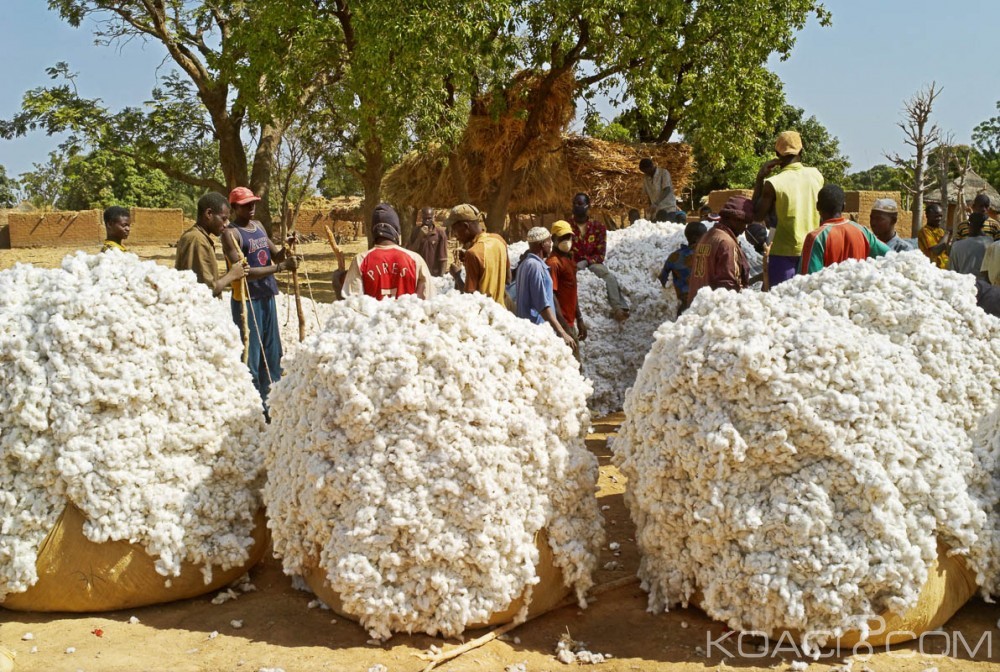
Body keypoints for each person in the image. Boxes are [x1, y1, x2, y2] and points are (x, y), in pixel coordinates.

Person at [221, 186, 299, 408]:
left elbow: (275, 255)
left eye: (253, 203)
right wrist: (281, 267)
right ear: (235, 207)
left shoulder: (259, 227)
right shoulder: (231, 234)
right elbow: (244, 272)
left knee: (273, 352)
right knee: (252, 358)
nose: (252, 208)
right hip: (247, 301)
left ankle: (273, 402)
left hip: (267, 296)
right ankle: (254, 406)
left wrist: (287, 248)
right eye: (246, 205)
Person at [753, 130, 825, 287]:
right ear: (802, 150)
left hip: (782, 254)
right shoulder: (816, 175)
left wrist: (760, 177)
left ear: (776, 154)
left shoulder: (773, 183)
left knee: (782, 304)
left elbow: (757, 215)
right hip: (812, 250)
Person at [343, 203, 435, 300]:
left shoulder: (360, 261)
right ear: (396, 230)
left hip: (372, 315)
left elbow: (352, 304)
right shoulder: (416, 260)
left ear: (373, 231)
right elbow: (428, 301)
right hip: (408, 315)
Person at [800, 185, 890, 274]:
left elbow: (808, 279)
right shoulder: (862, 231)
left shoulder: (816, 238)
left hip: (828, 288)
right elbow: (890, 256)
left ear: (817, 206)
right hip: (858, 287)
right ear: (844, 207)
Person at [570, 192, 630, 321]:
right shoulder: (567, 227)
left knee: (608, 276)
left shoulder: (598, 227)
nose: (577, 206)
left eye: (580, 203)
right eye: (575, 204)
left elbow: (600, 254)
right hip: (572, 263)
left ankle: (618, 308)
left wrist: (586, 262)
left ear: (588, 206)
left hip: (593, 263)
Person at [514, 227, 576, 352]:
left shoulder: (525, 264)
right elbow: (542, 305)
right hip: (539, 332)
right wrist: (562, 332)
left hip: (529, 330)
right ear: (542, 244)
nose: (551, 245)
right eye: (549, 241)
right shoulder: (535, 267)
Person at [174, 192, 247, 297]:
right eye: (223, 218)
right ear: (209, 214)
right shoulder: (196, 240)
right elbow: (205, 290)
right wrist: (232, 274)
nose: (227, 224)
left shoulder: (200, 238)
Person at [445, 203, 510, 305]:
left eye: (455, 230)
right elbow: (508, 279)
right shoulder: (498, 239)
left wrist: (457, 276)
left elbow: (470, 299)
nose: (454, 235)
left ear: (465, 226)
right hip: (500, 313)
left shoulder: (473, 253)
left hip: (483, 316)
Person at [688, 195, 752, 298]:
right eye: (743, 223)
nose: (744, 228)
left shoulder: (708, 236)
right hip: (715, 308)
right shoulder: (726, 243)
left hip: (699, 305)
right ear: (733, 219)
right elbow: (729, 285)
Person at [547, 220, 587, 357]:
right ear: (553, 239)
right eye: (562, 237)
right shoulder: (553, 263)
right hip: (562, 324)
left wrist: (579, 318)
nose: (567, 241)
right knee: (574, 366)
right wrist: (564, 328)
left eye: (568, 237)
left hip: (570, 322)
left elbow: (572, 292)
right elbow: (552, 295)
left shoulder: (568, 261)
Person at [658, 220, 707, 315]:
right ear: (695, 238)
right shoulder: (708, 254)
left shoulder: (674, 256)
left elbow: (662, 279)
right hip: (704, 305)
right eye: (704, 236)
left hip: (684, 306)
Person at [407, 207, 449, 276]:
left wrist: (441, 277)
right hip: (418, 273)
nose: (427, 221)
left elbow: (443, 258)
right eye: (425, 218)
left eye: (429, 218)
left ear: (433, 217)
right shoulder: (415, 231)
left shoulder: (440, 233)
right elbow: (410, 253)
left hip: (433, 274)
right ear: (421, 218)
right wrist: (419, 237)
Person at [639, 158, 684, 222]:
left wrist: (656, 203)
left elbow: (667, 189)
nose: (645, 173)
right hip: (656, 211)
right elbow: (649, 194)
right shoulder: (646, 178)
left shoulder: (663, 173)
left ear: (651, 167)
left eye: (646, 171)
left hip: (668, 208)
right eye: (644, 172)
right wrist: (650, 207)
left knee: (667, 227)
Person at [917, 202, 950, 269]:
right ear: (927, 216)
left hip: (945, 269)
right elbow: (936, 251)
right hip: (933, 269)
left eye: (940, 216)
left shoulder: (940, 231)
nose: (939, 218)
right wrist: (947, 234)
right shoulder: (925, 231)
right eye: (936, 216)